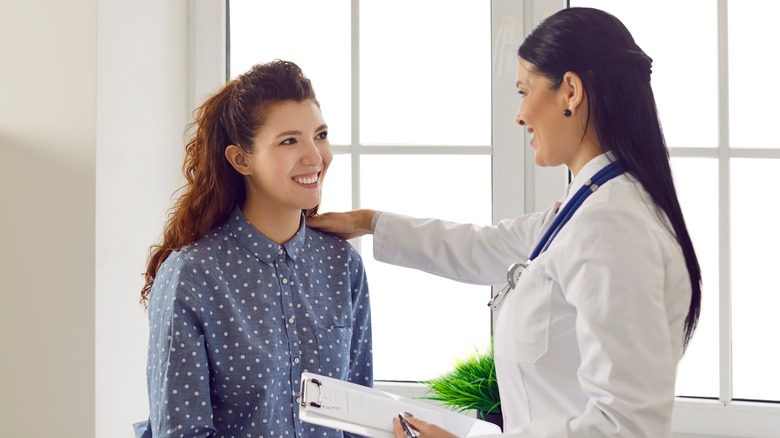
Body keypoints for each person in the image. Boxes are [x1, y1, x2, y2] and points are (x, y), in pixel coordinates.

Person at [308, 7, 701, 438]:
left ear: (570, 91)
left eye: (523, 91)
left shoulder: (612, 226)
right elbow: (482, 246)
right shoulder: (589, 206)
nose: (519, 115)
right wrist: (367, 222)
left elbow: (626, 426)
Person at [132, 60, 373, 438]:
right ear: (241, 159)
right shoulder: (192, 275)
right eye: (289, 140)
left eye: (320, 135)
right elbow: (182, 431)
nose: (315, 156)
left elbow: (362, 418)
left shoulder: (342, 265)